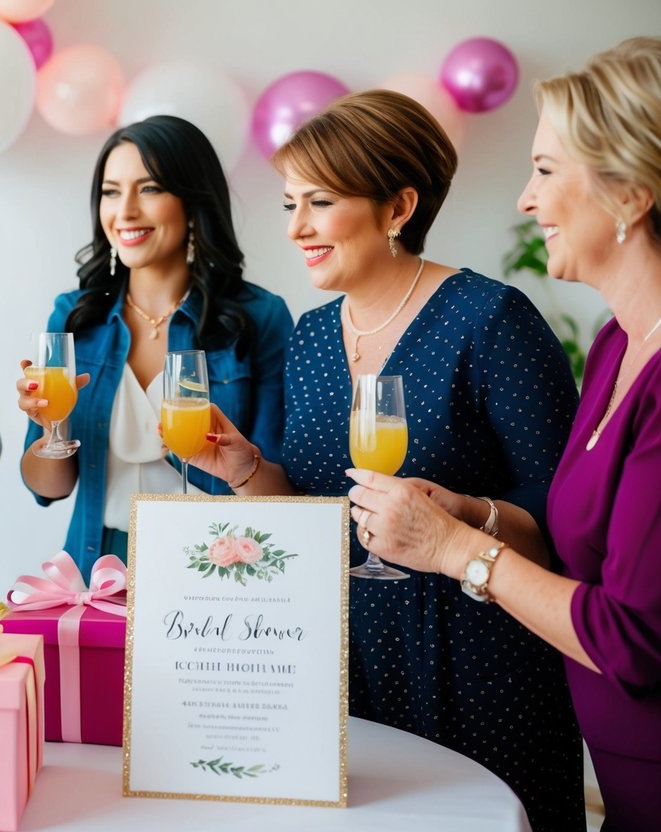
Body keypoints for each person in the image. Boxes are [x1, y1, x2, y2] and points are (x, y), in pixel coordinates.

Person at [186, 90, 585, 829]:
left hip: (476, 664)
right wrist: (245, 469)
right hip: (342, 659)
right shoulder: (307, 337)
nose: (296, 227)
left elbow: (565, 524)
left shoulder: (490, 320)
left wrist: (463, 520)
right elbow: (314, 515)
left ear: (398, 207)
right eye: (288, 204)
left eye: (320, 201)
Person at [348, 39, 661, 829]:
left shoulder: (499, 322)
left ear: (628, 194)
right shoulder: (617, 344)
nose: (524, 199)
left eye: (546, 170)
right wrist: (469, 511)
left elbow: (632, 641)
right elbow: (566, 533)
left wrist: (454, 552)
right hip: (621, 777)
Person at [17, 115, 293, 578]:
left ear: (192, 202)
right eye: (110, 191)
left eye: (149, 189)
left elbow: (286, 492)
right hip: (95, 567)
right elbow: (48, 488)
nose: (124, 211)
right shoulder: (73, 317)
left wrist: (236, 466)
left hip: (217, 568)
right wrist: (51, 432)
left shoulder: (259, 318)